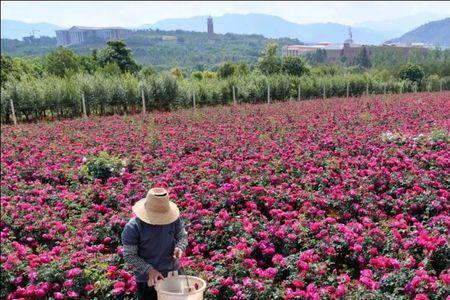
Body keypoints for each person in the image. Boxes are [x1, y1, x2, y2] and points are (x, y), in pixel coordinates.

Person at [121, 187, 188, 300]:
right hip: (148, 280)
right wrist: (150, 271)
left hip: (173, 274)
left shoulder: (173, 219)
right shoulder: (133, 227)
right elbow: (129, 255)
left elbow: (182, 236)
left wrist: (179, 248)